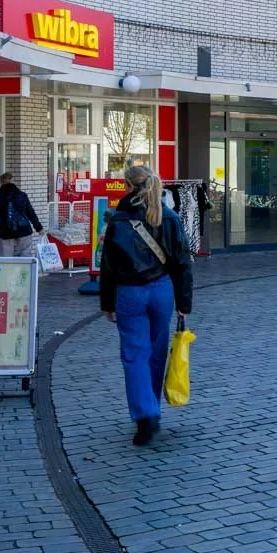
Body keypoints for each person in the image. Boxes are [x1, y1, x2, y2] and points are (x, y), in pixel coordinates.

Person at [99, 165, 195, 447]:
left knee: (134, 355)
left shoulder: (118, 220)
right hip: (162, 290)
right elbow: (182, 262)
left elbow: (108, 267)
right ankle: (151, 409)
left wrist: (107, 302)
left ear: (129, 187)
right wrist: (184, 303)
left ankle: (145, 416)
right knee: (156, 352)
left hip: (129, 292)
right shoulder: (169, 217)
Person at [0, 172, 44, 257]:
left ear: (1, 182)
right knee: (26, 258)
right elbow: (31, 213)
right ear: (12, 180)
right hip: (24, 230)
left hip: (7, 233)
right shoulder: (22, 195)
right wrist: (39, 228)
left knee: (8, 260)